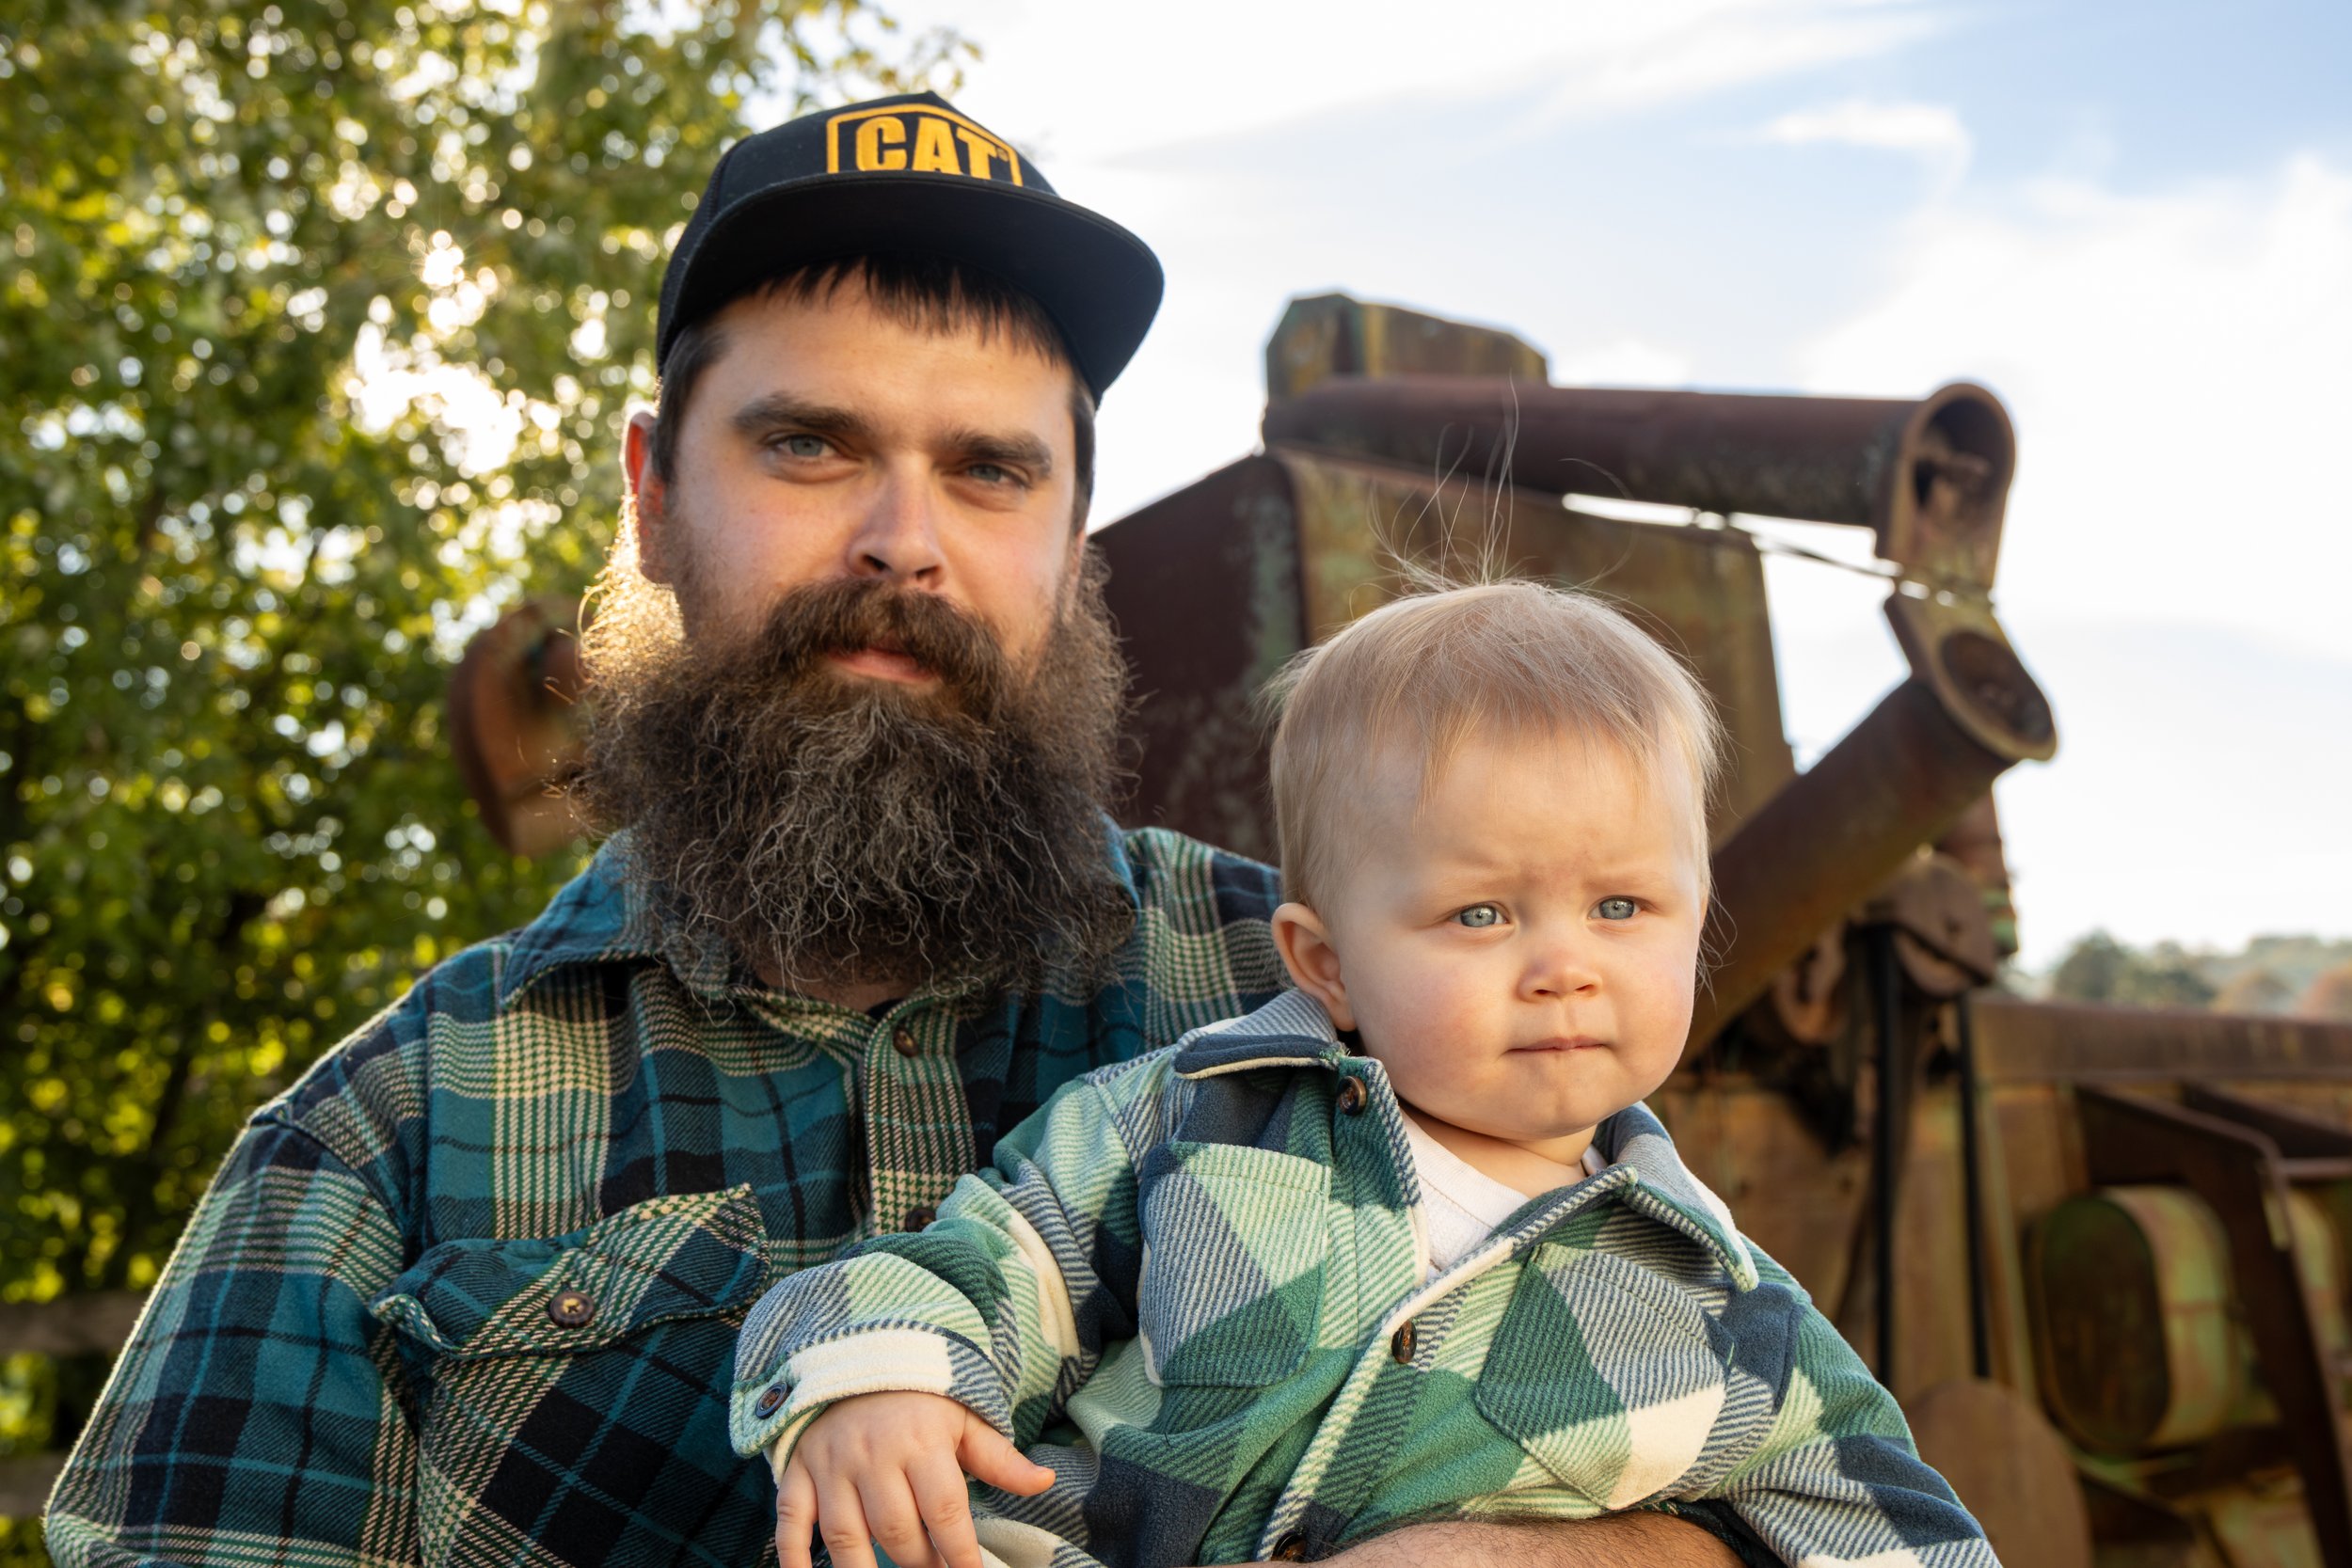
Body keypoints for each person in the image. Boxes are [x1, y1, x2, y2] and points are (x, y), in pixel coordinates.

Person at [45, 93, 1757, 1568]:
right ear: (652, 498)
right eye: (807, 444)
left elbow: (1782, 1453)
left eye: (990, 472)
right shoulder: (381, 1143)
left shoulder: (1349, 999)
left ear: (1072, 532)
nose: (901, 543)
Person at [733, 582, 1995, 1568]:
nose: (1566, 967)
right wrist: (875, 1383)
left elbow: (1903, 1533)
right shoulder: (1196, 1120)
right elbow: (971, 1271)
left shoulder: (1725, 1298)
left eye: (1622, 906)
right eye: (1483, 916)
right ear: (1326, 965)